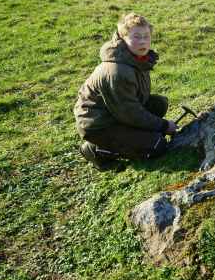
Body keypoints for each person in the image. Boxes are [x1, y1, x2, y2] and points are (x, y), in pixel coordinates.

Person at [73, 13, 176, 169]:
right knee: (157, 145)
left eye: (146, 36)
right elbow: (129, 113)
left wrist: (156, 125)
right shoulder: (117, 71)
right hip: (99, 124)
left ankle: (130, 137)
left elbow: (130, 106)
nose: (143, 41)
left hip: (116, 112)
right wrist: (163, 126)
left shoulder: (137, 58)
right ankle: (95, 150)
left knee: (158, 104)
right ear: (123, 38)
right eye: (136, 37)